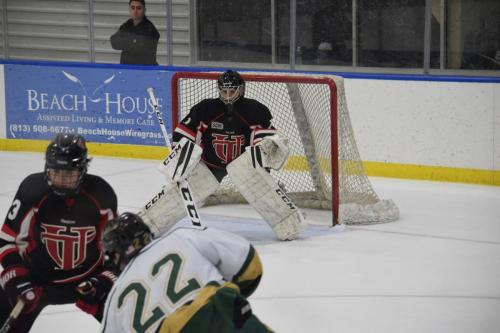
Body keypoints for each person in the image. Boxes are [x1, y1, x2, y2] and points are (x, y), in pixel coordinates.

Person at [139, 69, 307, 241]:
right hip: (211, 164)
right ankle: (145, 226)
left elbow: (263, 139)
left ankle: (289, 223)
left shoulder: (255, 110)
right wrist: (179, 158)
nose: (227, 95)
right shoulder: (206, 108)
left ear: (240, 90)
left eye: (231, 91)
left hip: (243, 164)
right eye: (223, 91)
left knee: (258, 187)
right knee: (178, 194)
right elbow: (185, 131)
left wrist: (263, 154)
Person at [0, 133, 118, 332]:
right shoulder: (32, 190)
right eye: (56, 172)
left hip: (88, 279)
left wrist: (102, 281)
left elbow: (116, 252)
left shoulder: (102, 194)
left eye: (69, 174)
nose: (61, 180)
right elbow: (6, 240)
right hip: (36, 278)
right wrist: (17, 279)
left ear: (82, 170)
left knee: (127, 321)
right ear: (47, 168)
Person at [100, 212, 274, 333]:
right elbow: (250, 265)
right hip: (220, 312)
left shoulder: (117, 295)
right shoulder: (181, 237)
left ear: (116, 253)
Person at [110, 0, 160, 65]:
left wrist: (126, 40)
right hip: (127, 69)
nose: (135, 11)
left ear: (144, 10)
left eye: (138, 8)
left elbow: (139, 49)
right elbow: (114, 41)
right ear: (129, 10)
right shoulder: (127, 24)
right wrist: (133, 41)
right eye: (133, 8)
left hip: (144, 70)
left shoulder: (150, 29)